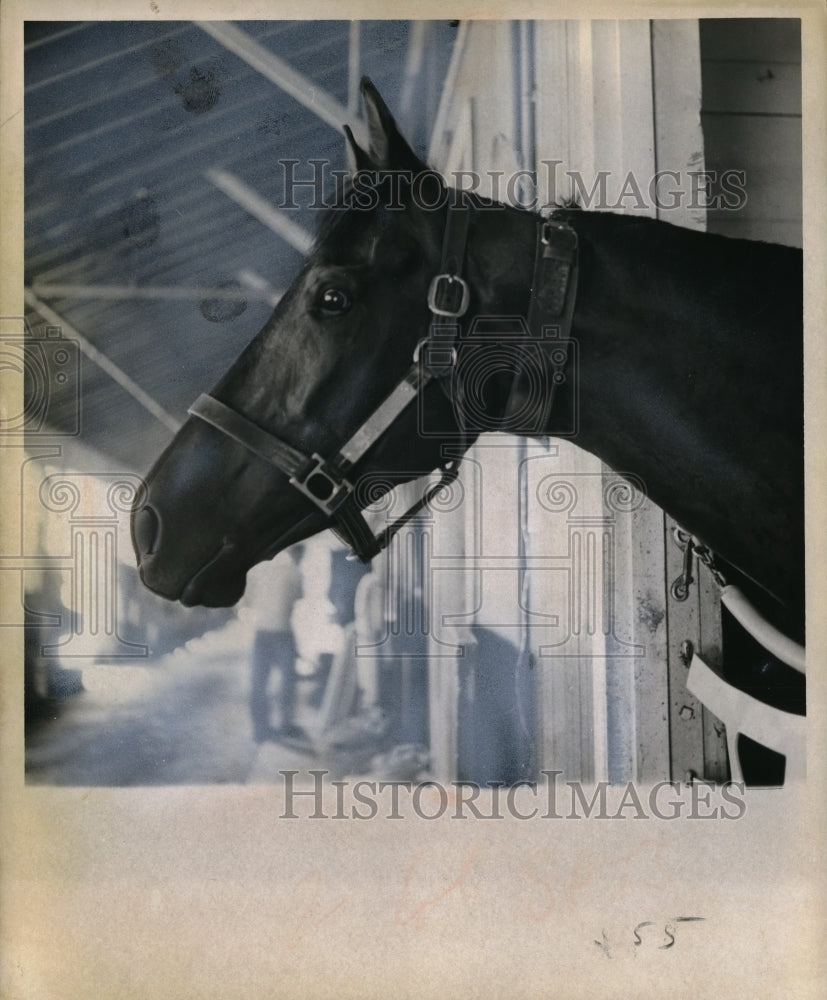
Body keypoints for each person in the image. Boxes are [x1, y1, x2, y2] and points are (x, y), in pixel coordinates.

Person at [247, 544, 305, 744]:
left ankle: (260, 730)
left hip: (262, 631)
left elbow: (248, 600)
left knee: (259, 683)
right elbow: (298, 597)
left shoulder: (258, 568)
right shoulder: (294, 570)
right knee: (287, 681)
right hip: (283, 632)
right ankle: (285, 725)